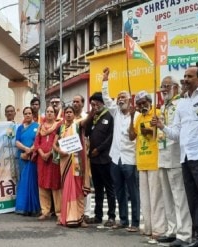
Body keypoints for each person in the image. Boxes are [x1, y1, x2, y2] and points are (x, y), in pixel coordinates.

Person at [153, 66, 198, 247]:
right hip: (185, 158)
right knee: (193, 200)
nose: (185, 79)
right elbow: (175, 133)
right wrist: (162, 127)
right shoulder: (182, 103)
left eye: (189, 76)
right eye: (184, 76)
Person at [101, 68, 140, 232]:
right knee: (119, 191)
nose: (120, 99)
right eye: (119, 97)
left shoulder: (136, 115)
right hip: (116, 158)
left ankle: (135, 223)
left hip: (130, 159)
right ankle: (123, 220)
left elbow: (133, 136)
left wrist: (131, 116)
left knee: (133, 192)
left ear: (130, 100)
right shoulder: (115, 112)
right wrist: (105, 80)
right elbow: (105, 98)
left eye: (123, 97)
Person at [155, 76, 192, 246]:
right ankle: (172, 229)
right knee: (167, 197)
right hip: (162, 154)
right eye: (162, 86)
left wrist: (161, 126)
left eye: (167, 86)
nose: (164, 89)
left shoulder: (180, 104)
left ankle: (184, 233)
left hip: (176, 155)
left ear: (176, 87)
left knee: (179, 196)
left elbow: (178, 132)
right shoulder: (163, 106)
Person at [128, 90, 166, 244]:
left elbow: (163, 133)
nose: (142, 105)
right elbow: (131, 136)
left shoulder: (157, 112)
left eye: (144, 102)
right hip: (141, 161)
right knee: (145, 198)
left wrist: (150, 130)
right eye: (139, 104)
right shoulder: (138, 117)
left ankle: (159, 229)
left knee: (156, 197)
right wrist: (131, 117)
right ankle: (149, 227)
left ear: (150, 101)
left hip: (155, 161)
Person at [53, 106, 90, 227]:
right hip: (64, 161)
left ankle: (80, 217)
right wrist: (59, 151)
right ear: (64, 115)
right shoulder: (60, 128)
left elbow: (86, 121)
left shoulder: (78, 126)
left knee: (78, 188)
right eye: (66, 112)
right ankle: (66, 216)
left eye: (70, 112)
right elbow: (54, 144)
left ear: (74, 114)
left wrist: (93, 112)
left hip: (76, 162)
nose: (68, 114)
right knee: (67, 189)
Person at [84, 92, 115, 227]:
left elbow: (110, 136)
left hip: (105, 158)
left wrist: (99, 149)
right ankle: (97, 215)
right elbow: (85, 132)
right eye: (92, 105)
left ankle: (112, 216)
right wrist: (91, 115)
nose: (95, 106)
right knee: (97, 189)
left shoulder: (109, 116)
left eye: (96, 104)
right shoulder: (94, 117)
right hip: (94, 159)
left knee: (109, 189)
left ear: (102, 103)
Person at [33, 105, 61, 221]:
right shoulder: (41, 127)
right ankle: (45, 211)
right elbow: (36, 142)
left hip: (53, 158)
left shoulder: (58, 126)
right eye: (47, 111)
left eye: (51, 112)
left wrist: (49, 153)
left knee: (55, 184)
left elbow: (59, 141)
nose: (49, 113)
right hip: (42, 160)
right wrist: (41, 153)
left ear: (55, 114)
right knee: (42, 184)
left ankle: (59, 212)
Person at [15, 107, 40, 216]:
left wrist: (31, 149)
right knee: (23, 180)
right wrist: (26, 149)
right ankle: (22, 207)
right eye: (26, 113)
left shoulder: (37, 126)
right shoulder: (20, 128)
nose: (28, 115)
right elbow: (17, 142)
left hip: (33, 157)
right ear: (23, 115)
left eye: (29, 113)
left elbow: (38, 141)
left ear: (32, 115)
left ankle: (33, 208)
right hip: (23, 157)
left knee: (32, 181)